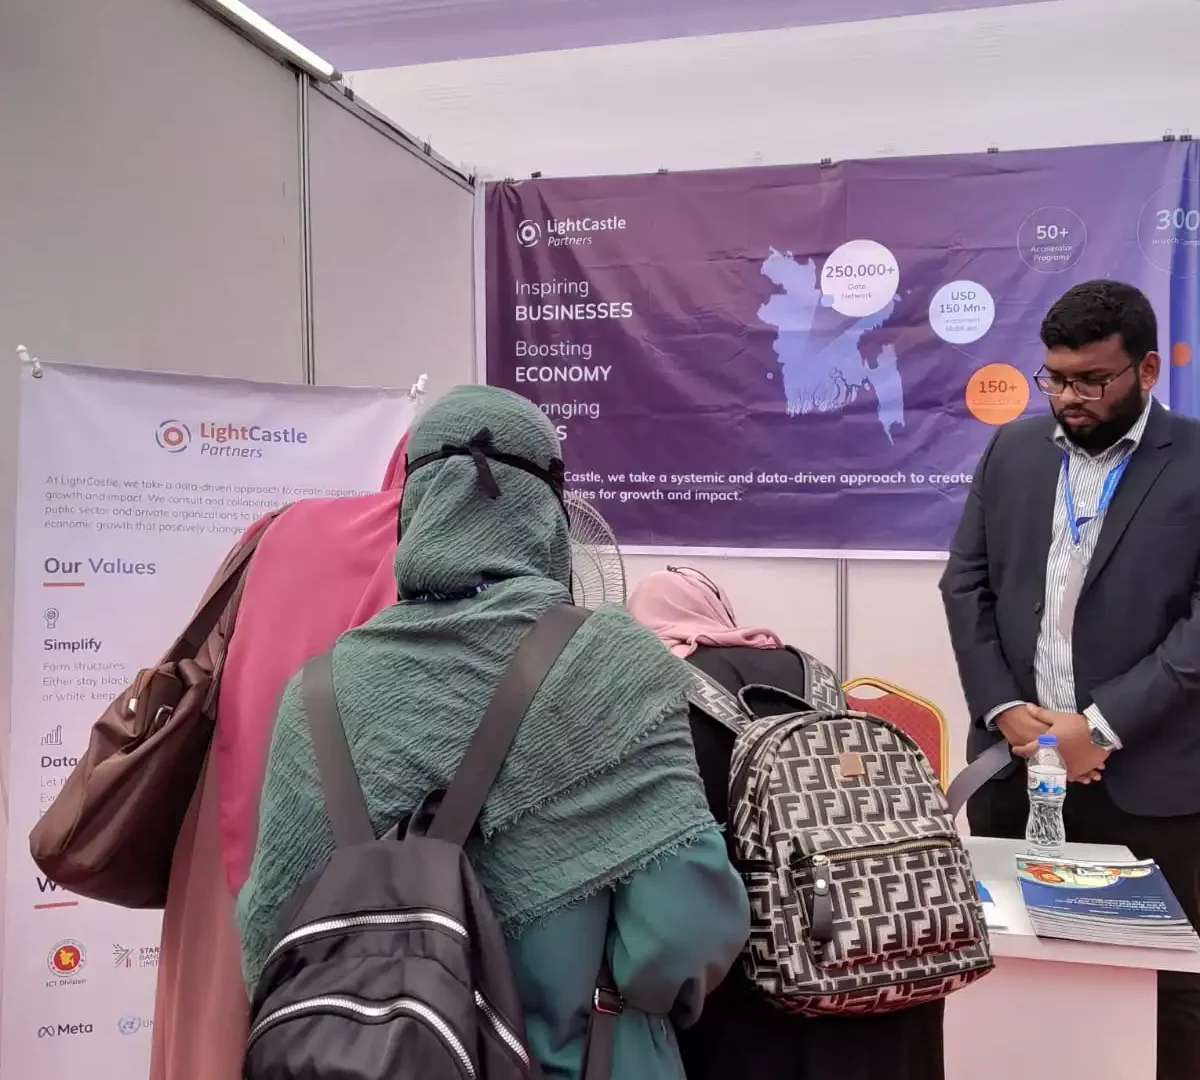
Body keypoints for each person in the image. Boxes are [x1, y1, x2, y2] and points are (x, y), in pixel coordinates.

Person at [236, 385, 750, 1079]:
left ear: (414, 512)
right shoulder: (613, 661)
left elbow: (269, 934)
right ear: (550, 514)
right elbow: (681, 934)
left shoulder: (317, 693)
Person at [939, 279, 1200, 1080]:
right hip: (1016, 773)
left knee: (1165, 997)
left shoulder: (1193, 460)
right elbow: (965, 584)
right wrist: (1008, 710)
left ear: (1147, 371)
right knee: (1022, 979)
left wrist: (1100, 725)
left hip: (1149, 781)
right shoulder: (1011, 450)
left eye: (1093, 380)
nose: (1070, 397)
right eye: (1056, 377)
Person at [149, 433, 411, 1080]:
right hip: (348, 866)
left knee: (212, 1024)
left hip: (223, 809)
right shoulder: (430, 564)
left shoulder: (278, 530)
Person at [628, 566, 945, 1080]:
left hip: (758, 972)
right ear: (718, 609)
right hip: (878, 947)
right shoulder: (811, 669)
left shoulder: (655, 694)